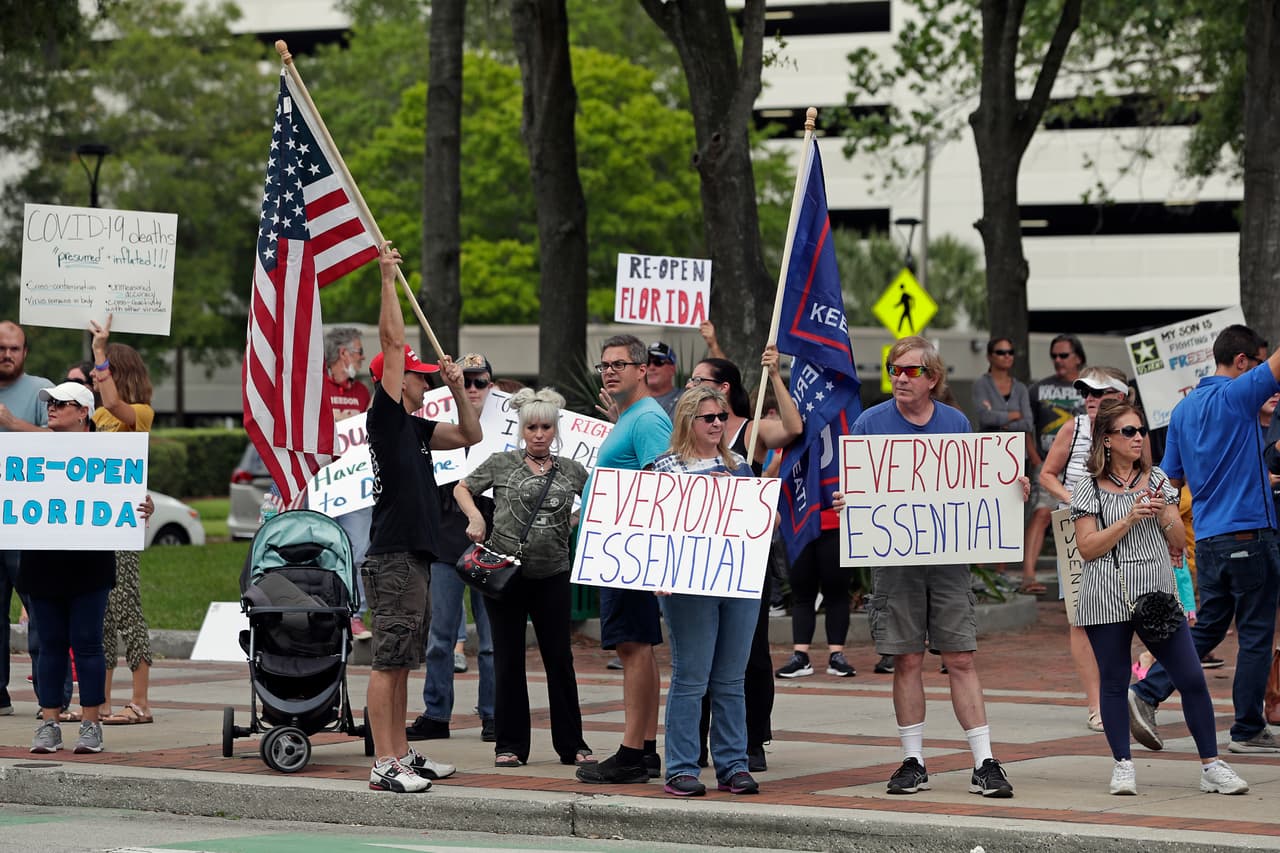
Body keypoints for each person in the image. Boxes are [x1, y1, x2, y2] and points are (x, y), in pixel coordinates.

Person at [843, 336, 1026, 798]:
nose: (901, 378)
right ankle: (913, 760)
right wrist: (850, 500)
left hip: (947, 560)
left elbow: (975, 485)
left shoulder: (956, 423)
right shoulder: (870, 423)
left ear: (934, 378)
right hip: (895, 561)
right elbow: (857, 489)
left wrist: (1010, 490)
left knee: (960, 656)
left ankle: (984, 761)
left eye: (911, 371)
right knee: (906, 657)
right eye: (894, 370)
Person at [1071, 399, 1248, 795]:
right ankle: (1122, 764)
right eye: (1128, 432)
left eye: (1141, 431)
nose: (1138, 439)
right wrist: (1129, 519)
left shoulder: (1159, 480)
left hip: (1156, 591)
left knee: (1190, 677)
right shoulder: (1087, 487)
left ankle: (1211, 765)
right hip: (1106, 595)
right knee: (1114, 682)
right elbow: (1086, 547)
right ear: (1108, 440)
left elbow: (1176, 543)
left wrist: (1165, 514)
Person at [363, 241, 481, 793]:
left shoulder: (416, 427)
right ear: (395, 380)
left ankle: (403, 755)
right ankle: (383, 764)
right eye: (421, 376)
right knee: (387, 663)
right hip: (392, 556)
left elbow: (471, 435)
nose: (426, 381)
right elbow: (390, 341)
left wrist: (459, 393)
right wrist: (388, 281)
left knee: (404, 659)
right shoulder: (386, 417)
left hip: (414, 555)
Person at [1129, 324, 1280, 755]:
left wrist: (1172, 531)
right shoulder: (1239, 393)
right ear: (1242, 362)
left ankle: (1147, 692)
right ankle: (1249, 728)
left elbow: (1171, 480)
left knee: (1208, 627)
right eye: (1256, 363)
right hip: (1250, 535)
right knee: (1254, 634)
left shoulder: (1183, 410)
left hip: (1210, 540)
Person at [454, 387, 593, 768]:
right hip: (505, 574)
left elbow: (597, 498)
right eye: (532, 427)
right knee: (508, 658)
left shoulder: (570, 469)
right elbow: (462, 487)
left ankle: (572, 743)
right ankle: (510, 744)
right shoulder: (502, 463)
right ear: (521, 428)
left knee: (559, 659)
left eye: (545, 426)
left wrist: (573, 521)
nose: (538, 434)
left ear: (555, 428)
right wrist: (476, 517)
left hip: (553, 575)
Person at [686, 348, 803, 773]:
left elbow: (793, 427)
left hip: (741, 560)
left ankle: (753, 739)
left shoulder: (750, 433)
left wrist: (773, 377)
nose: (690, 385)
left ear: (722, 389)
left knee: (749, 656)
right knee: (696, 657)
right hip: (700, 562)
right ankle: (695, 742)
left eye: (699, 379)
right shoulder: (682, 440)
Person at [23, 381, 154, 755]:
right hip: (42, 558)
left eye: (61, 404)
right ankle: (50, 723)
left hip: (89, 562)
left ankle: (91, 723)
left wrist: (144, 507)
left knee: (88, 643)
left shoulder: (110, 453)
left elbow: (129, 495)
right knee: (49, 645)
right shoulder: (32, 451)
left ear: (84, 412)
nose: (52, 409)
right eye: (50, 403)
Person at [651, 386, 762, 797]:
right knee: (692, 677)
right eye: (709, 418)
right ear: (688, 421)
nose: (718, 424)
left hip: (736, 583)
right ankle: (681, 767)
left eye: (722, 417)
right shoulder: (664, 470)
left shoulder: (741, 469)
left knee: (732, 678)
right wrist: (657, 571)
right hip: (687, 586)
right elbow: (650, 530)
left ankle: (733, 765)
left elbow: (758, 528)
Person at [576, 334, 672, 785]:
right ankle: (645, 748)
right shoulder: (632, 416)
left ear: (642, 370)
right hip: (619, 549)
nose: (610, 371)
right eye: (605, 365)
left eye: (619, 364)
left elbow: (663, 484)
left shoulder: (649, 419)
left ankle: (632, 753)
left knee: (633, 647)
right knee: (638, 647)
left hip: (629, 550)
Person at [406, 352, 496, 744]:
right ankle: (436, 713)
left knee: (492, 642)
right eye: (468, 381)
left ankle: (494, 714)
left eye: (482, 382)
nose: (474, 388)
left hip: (493, 545)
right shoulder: (441, 426)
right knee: (440, 637)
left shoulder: (506, 428)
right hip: (444, 544)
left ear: (492, 386)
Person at [1039, 366, 1134, 732]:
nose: (1090, 399)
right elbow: (1048, 472)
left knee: (1124, 615)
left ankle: (1119, 695)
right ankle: (1096, 704)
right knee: (1081, 618)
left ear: (1121, 396)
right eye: (1086, 393)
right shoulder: (1074, 427)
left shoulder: (1131, 431)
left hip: (1124, 531)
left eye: (1100, 393)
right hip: (1078, 533)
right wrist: (1078, 501)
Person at [86, 317, 158, 727]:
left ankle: (141, 701)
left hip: (123, 524)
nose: (98, 380)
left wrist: (100, 352)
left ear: (118, 374)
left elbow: (114, 404)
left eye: (104, 373)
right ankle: (104, 701)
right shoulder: (96, 417)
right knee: (105, 614)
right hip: (99, 522)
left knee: (128, 607)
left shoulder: (138, 413)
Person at [0, 320, 53, 717]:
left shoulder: (41, 390)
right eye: (1, 348)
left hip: (26, 519)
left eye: (14, 348)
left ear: (25, 353)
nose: (7, 355)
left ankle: (49, 695)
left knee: (40, 606)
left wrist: (13, 424)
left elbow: (64, 445)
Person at [1023, 335, 1086, 593]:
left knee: (1082, 518)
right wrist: (1037, 459)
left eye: (1064, 355)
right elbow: (1025, 428)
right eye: (1054, 356)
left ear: (1078, 358)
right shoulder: (1037, 389)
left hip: (1083, 465)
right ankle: (1028, 576)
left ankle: (1082, 582)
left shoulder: (1091, 387)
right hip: (1048, 465)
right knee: (1041, 514)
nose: (1058, 361)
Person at [323, 326, 374, 639]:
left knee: (359, 550)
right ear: (343, 354)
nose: (362, 357)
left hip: (355, 483)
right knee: (324, 550)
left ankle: (356, 615)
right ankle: (327, 612)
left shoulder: (361, 393)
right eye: (358, 351)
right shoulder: (316, 389)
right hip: (323, 484)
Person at [972, 337, 1035, 585]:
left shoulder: (1020, 387)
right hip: (988, 453)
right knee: (984, 507)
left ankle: (1001, 569)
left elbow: (1028, 422)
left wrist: (1001, 417)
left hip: (1016, 455)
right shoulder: (981, 385)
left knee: (1010, 508)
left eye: (1010, 352)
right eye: (1000, 352)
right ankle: (979, 568)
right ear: (989, 356)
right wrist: (1012, 415)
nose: (1006, 356)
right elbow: (984, 417)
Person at [646, 341, 682, 418]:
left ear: (672, 368)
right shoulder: (633, 401)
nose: (651, 367)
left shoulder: (684, 398)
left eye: (658, 362)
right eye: (647, 362)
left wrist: (713, 346)